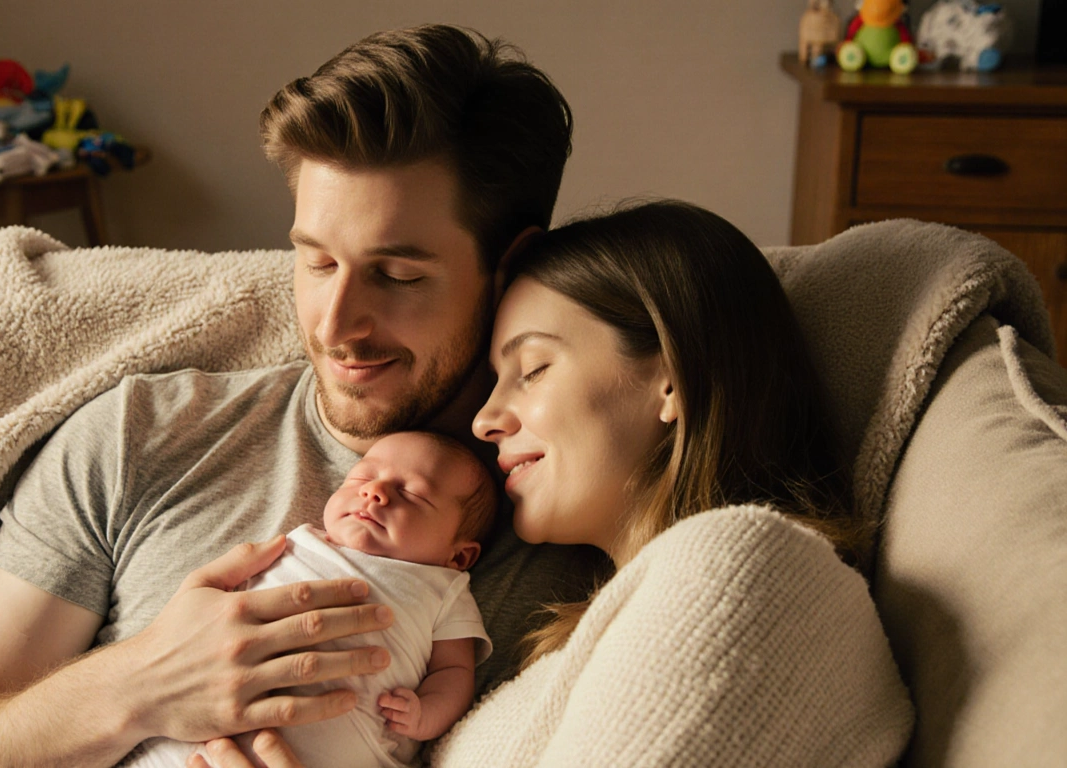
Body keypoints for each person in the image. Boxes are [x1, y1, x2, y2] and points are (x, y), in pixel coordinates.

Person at [0, 23, 588, 768]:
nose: (334, 326)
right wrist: (137, 686)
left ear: (512, 264)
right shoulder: (146, 432)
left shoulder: (576, 519)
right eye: (317, 262)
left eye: (398, 275)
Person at [198, 200, 915, 767]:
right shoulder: (592, 635)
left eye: (533, 368)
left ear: (672, 378)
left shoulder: (746, 569)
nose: (484, 420)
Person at [127, 431, 496, 768]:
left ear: (459, 556)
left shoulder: (443, 587)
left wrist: (425, 714)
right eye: (361, 478)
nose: (375, 492)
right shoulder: (296, 543)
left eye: (413, 494)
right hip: (191, 741)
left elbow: (454, 672)